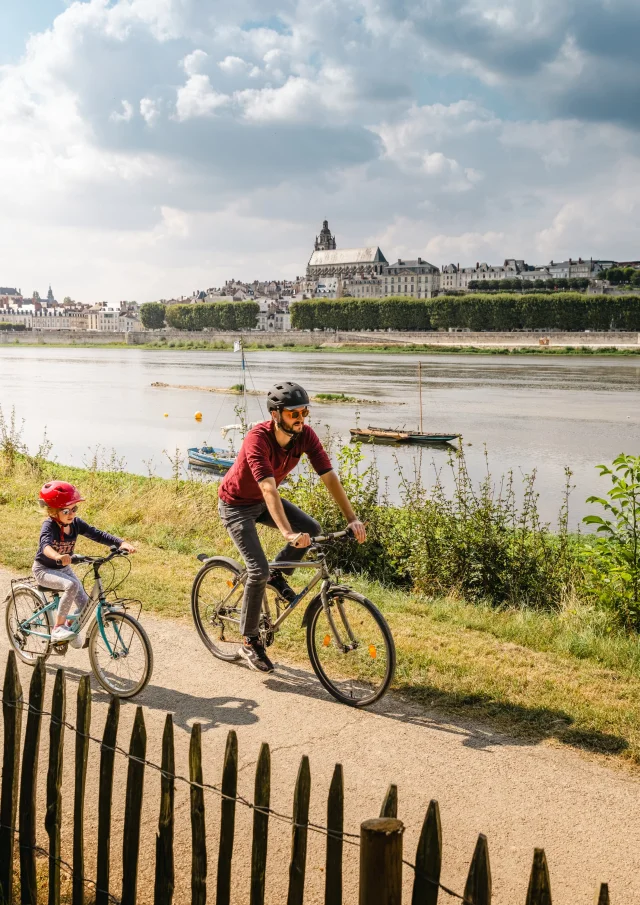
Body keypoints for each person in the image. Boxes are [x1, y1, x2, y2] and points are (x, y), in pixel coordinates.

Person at [218, 381, 366, 673]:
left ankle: (278, 575)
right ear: (275, 414)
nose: (301, 418)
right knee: (257, 570)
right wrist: (287, 533)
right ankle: (249, 643)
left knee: (311, 526)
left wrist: (352, 518)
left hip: (261, 503)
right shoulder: (257, 439)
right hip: (236, 505)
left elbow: (329, 476)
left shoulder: (305, 436)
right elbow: (269, 488)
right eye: (293, 413)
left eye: (304, 412)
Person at [34, 481, 136, 645]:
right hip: (44, 569)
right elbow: (45, 546)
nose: (71, 514)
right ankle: (58, 628)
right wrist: (57, 556)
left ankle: (69, 627)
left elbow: (97, 534)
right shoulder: (49, 525)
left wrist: (120, 543)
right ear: (53, 511)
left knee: (85, 605)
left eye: (75, 509)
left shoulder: (75, 523)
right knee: (72, 586)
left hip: (63, 568)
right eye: (66, 510)